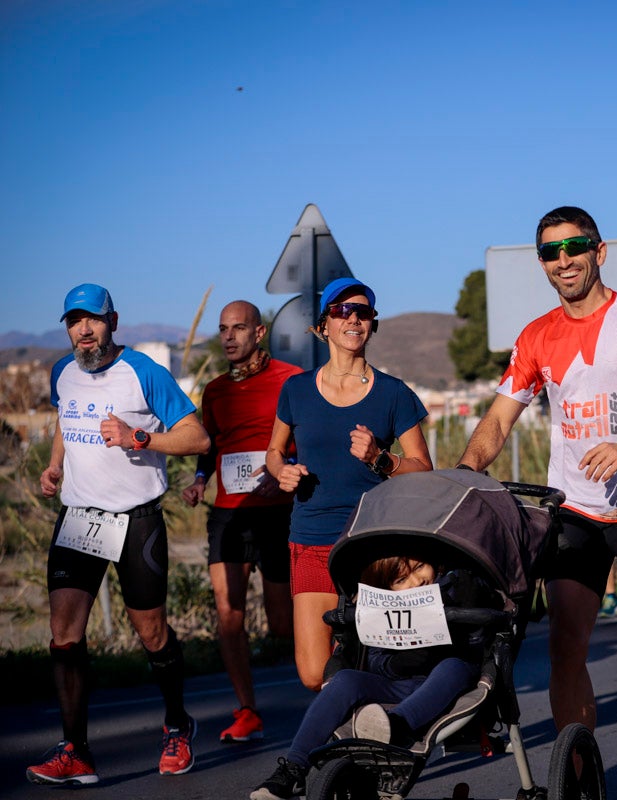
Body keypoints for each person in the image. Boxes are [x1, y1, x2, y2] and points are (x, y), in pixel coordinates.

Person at [455, 206, 617, 800]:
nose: (563, 260)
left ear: (600, 251)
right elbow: (499, 419)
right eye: (550, 252)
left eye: (574, 247)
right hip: (573, 508)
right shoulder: (536, 336)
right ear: (541, 263)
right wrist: (465, 474)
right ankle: (578, 776)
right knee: (565, 647)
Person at [28, 284, 211, 786]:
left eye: (93, 319)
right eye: (74, 321)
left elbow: (198, 437)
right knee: (64, 634)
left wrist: (139, 437)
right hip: (79, 517)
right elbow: (65, 419)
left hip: (136, 520)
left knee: (151, 633)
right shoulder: (62, 372)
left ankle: (177, 725)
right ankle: (76, 752)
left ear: (113, 321)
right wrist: (55, 464)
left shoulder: (144, 372)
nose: (84, 330)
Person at [266, 278, 433, 692]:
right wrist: (281, 471)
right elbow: (274, 451)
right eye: (342, 311)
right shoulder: (296, 390)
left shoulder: (393, 393)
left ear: (372, 324)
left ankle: (374, 720)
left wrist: (381, 458)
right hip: (313, 538)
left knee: (380, 655)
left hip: (373, 542)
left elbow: (424, 469)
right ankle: (358, 708)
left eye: (363, 312)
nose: (353, 319)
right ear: (324, 325)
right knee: (313, 673)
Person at [250, 555, 486, 800]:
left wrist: (462, 594)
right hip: (398, 682)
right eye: (401, 580)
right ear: (387, 588)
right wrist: (399, 663)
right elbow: (376, 661)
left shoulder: (454, 584)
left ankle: (394, 726)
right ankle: (293, 768)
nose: (417, 581)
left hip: (448, 677)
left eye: (419, 567)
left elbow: (477, 634)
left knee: (453, 667)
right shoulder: (382, 607)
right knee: (346, 680)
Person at [181, 301, 302, 743]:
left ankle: (335, 678)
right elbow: (209, 445)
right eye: (223, 329)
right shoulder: (215, 390)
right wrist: (200, 480)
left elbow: (306, 440)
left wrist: (284, 472)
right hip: (229, 514)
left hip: (277, 512)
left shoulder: (291, 380)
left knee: (282, 624)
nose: (229, 337)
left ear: (259, 332)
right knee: (228, 613)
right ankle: (247, 710)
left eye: (238, 328)